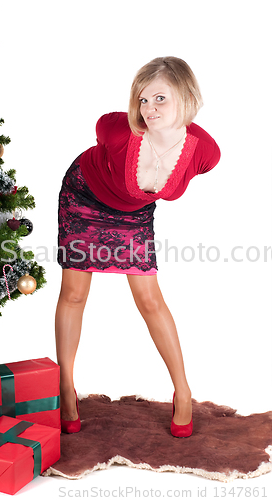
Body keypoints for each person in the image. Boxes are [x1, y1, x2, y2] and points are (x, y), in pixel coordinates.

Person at [55, 56, 220, 437]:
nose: (149, 109)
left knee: (149, 299)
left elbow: (197, 168)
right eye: (143, 100)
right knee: (75, 294)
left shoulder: (204, 152)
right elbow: (102, 136)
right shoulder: (116, 130)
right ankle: (66, 390)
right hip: (84, 197)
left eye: (160, 99)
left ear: (186, 96)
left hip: (133, 215)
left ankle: (183, 392)